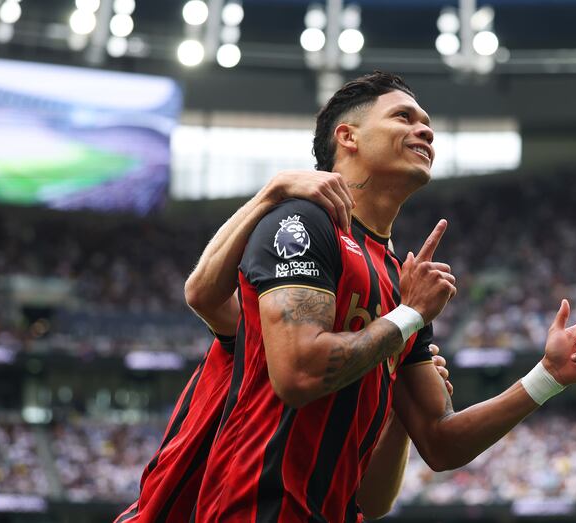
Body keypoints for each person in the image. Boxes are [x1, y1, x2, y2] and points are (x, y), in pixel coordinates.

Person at [194, 71, 576, 523]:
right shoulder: (304, 221)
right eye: (404, 117)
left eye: (427, 122)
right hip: (255, 509)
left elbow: (438, 442)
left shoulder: (398, 280)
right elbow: (298, 372)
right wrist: (410, 314)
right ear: (348, 137)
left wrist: (548, 376)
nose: (426, 130)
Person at [115, 171, 453, 522]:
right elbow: (201, 294)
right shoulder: (272, 323)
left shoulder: (367, 358)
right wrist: (270, 193)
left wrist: (401, 415)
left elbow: (371, 502)